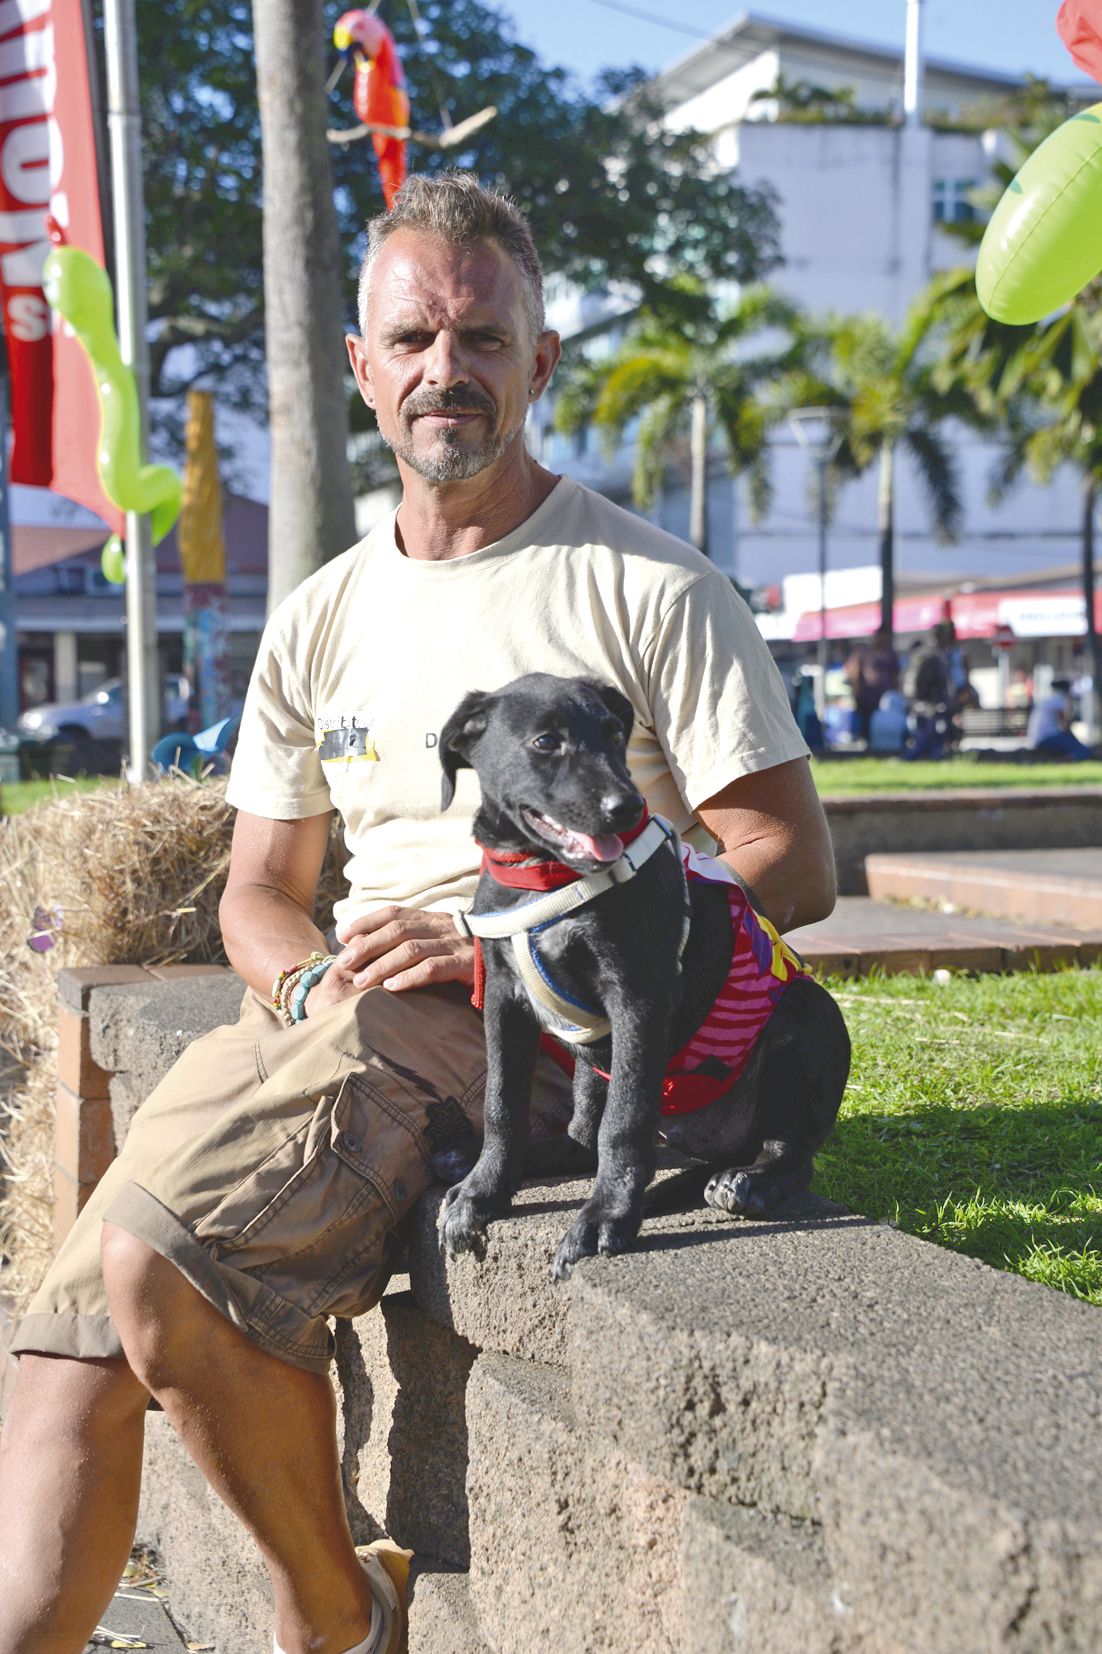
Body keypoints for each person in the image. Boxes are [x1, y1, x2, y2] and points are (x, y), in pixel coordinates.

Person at [0, 173, 837, 1654]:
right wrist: (312, 972)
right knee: (59, 1359)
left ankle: (330, 1614)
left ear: (537, 361)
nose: (447, 366)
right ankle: (333, 1600)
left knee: (152, 1273)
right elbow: (259, 889)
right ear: (367, 369)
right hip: (330, 1016)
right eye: (414, 337)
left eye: (482, 336)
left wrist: (498, 931)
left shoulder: (647, 584)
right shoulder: (323, 607)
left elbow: (786, 854)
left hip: (514, 1025)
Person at [843, 628, 900, 747]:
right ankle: (866, 744)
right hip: (866, 697)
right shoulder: (863, 652)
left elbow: (896, 677)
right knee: (865, 723)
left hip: (885, 699)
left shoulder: (890, 654)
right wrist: (856, 690)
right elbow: (853, 671)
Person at [1027, 676, 1092, 760]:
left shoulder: (1049, 699)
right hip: (1047, 737)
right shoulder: (1059, 700)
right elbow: (1064, 725)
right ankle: (1065, 761)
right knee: (1083, 750)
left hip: (1038, 738)